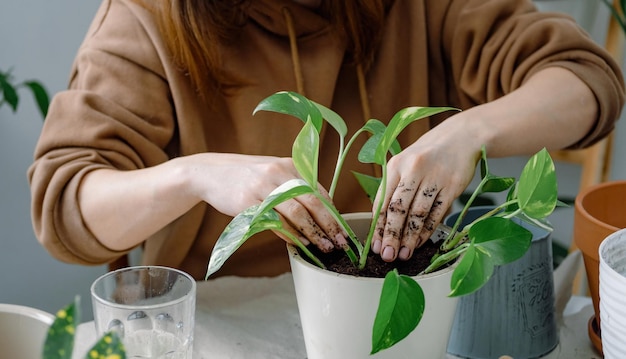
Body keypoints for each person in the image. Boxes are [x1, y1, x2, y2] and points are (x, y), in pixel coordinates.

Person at [29, 0, 624, 281]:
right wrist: (198, 174)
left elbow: (586, 80)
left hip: (391, 315)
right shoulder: (148, 17)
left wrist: (469, 130)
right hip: (224, 322)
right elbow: (67, 204)